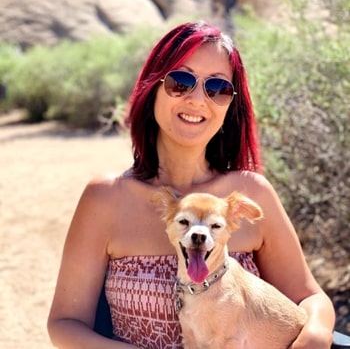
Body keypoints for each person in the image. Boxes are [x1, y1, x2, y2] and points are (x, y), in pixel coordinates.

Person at [47, 21, 335, 348]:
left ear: (231, 105)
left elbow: (311, 299)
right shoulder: (106, 198)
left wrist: (314, 336)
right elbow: (65, 325)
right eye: (181, 81)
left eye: (218, 89)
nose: (198, 99)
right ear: (152, 87)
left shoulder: (252, 193)